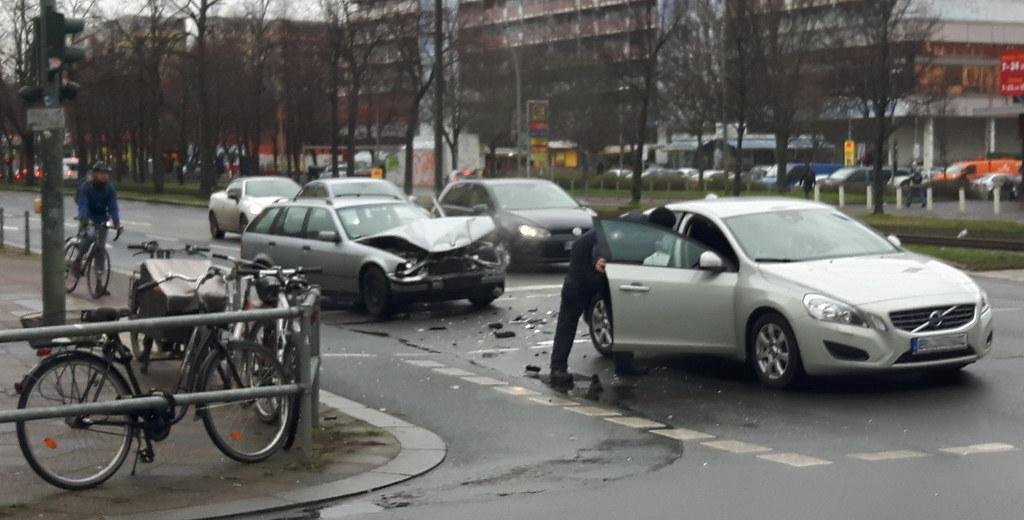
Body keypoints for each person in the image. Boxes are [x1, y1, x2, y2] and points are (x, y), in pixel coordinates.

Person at [549, 206, 677, 384]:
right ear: (657, 227)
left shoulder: (645, 229)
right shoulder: (633, 229)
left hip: (609, 276)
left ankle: (624, 365)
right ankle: (557, 368)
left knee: (620, 317)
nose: (665, 236)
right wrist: (599, 260)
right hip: (583, 269)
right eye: (664, 232)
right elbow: (602, 243)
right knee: (569, 319)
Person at [74, 162, 122, 286]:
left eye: (107, 174)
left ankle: (99, 281)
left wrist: (116, 222)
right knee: (89, 236)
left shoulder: (109, 189)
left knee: (100, 248)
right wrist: (84, 219)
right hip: (88, 218)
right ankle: (78, 259)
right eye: (102, 173)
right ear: (95, 174)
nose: (105, 176)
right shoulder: (87, 186)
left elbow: (113, 206)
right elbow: (83, 204)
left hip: (101, 220)